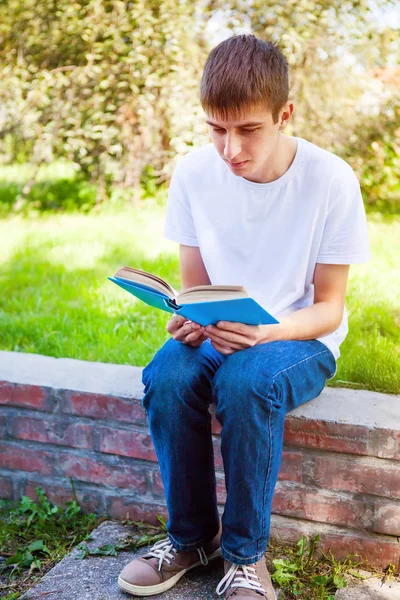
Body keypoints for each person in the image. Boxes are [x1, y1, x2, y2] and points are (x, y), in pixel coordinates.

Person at [117, 34, 370, 599]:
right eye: (216, 128)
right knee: (168, 374)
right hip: (224, 327)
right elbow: (196, 288)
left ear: (285, 115)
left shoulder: (330, 180)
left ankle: (244, 557)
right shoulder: (193, 173)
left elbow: (329, 308)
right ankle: (190, 539)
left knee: (246, 380)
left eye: (248, 129)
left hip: (297, 335)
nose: (230, 148)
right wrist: (187, 320)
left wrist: (265, 332)